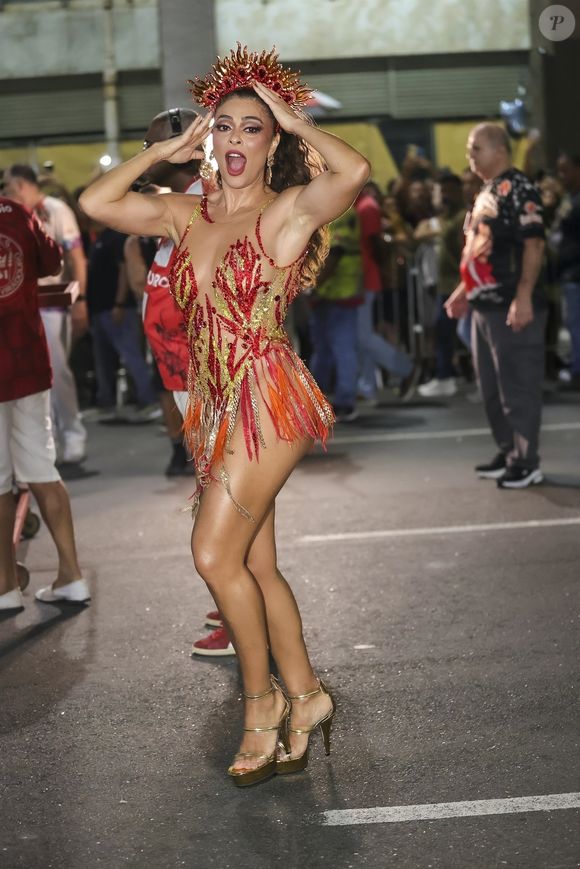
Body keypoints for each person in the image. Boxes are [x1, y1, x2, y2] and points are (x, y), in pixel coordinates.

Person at [80, 44, 370, 786]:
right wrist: (167, 149)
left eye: (252, 129)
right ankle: (306, 695)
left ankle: (261, 702)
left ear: (271, 143)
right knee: (255, 562)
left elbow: (354, 173)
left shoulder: (286, 214)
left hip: (268, 397)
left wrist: (289, 117)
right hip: (215, 404)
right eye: (226, 128)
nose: (235, 141)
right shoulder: (187, 213)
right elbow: (97, 204)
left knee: (214, 555)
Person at [125, 110, 235, 657]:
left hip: (207, 376)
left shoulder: (201, 203)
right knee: (214, 493)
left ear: (186, 149)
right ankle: (233, 593)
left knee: (222, 499)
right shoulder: (181, 201)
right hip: (186, 378)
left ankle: (240, 615)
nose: (146, 157)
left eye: (152, 147)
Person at [445, 123, 546, 489]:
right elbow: (477, 249)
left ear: (499, 150)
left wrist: (523, 296)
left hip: (509, 304)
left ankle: (526, 460)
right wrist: (462, 291)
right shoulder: (487, 191)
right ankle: (508, 452)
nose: (470, 156)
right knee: (491, 388)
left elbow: (533, 244)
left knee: (516, 386)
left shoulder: (519, 188)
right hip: (482, 305)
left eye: (476, 149)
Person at [0, 196, 89, 612]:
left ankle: (4, 588)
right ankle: (71, 576)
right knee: (41, 470)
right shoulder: (16, 213)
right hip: (25, 361)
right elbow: (52, 263)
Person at [3, 165, 88, 464]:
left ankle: (73, 435)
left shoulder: (55, 209)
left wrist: (81, 298)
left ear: (24, 184)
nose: (6, 192)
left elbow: (75, 255)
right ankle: (43, 443)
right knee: (26, 375)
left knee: (58, 372)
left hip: (51, 302)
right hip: (17, 305)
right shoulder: (10, 215)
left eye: (10, 186)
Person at [87, 225, 157, 418]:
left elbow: (124, 270)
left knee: (132, 356)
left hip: (117, 308)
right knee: (103, 361)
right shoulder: (99, 239)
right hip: (99, 309)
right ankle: (106, 403)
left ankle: (148, 400)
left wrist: (119, 302)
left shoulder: (117, 237)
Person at [355, 182, 416, 403]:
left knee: (363, 336)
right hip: (364, 278)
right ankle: (368, 386)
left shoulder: (366, 206)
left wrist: (379, 270)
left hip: (366, 278)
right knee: (362, 336)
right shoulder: (361, 205)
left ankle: (405, 368)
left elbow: (376, 244)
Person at [309, 208, 363, 421]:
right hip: (325, 293)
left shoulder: (342, 211)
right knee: (322, 349)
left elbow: (336, 252)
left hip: (342, 291)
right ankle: (317, 400)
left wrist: (313, 285)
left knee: (342, 348)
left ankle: (345, 402)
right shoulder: (327, 208)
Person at [418, 172, 465, 397]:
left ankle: (446, 376)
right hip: (448, 285)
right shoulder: (449, 217)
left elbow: (463, 252)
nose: (444, 195)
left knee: (451, 332)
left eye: (448, 189)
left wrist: (462, 280)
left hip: (455, 285)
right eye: (441, 190)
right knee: (449, 332)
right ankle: (448, 375)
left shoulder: (461, 217)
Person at [554, 154, 580, 390]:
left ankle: (577, 371)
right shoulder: (568, 199)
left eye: (566, 170)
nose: (562, 176)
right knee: (573, 323)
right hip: (569, 272)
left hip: (576, 272)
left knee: (576, 324)